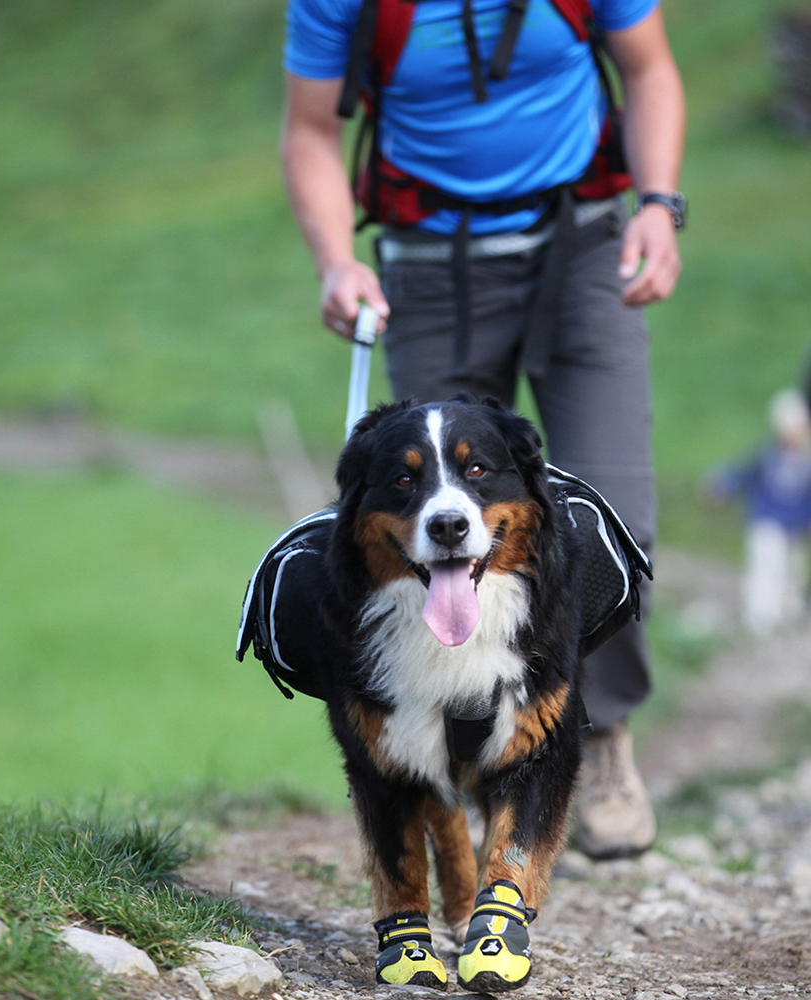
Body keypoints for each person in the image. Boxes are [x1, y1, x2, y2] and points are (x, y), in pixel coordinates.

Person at [280, 0, 686, 860]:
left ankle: (597, 731)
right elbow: (312, 127)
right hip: (432, 265)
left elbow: (648, 69)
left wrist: (658, 204)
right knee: (440, 527)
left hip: (585, 250)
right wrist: (335, 259)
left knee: (616, 520)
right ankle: (458, 750)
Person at [707, 389, 811, 635]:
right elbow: (742, 473)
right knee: (767, 567)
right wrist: (721, 484)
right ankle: (761, 616)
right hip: (767, 522)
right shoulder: (767, 456)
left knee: (792, 569)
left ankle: (789, 614)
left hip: (794, 527)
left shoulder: (805, 463)